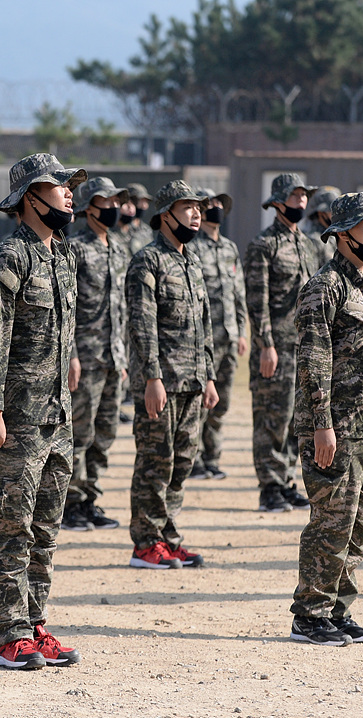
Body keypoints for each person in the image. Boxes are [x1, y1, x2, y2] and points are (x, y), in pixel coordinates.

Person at [0, 153, 84, 670]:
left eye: (68, 185)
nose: (68, 193)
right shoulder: (8, 257)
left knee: (44, 529)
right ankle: (7, 634)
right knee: (8, 526)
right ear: (28, 199)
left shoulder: (62, 254)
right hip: (16, 420)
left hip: (55, 417)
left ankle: (35, 623)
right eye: (57, 186)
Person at [290, 192, 363, 646]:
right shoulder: (324, 286)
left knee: (359, 523)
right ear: (343, 233)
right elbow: (315, 360)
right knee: (331, 520)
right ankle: (310, 614)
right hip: (336, 426)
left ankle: (338, 607)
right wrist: (322, 423)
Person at [126, 180, 217, 570]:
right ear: (165, 216)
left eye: (199, 208)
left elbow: (204, 325)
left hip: (193, 381)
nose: (197, 214)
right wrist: (151, 378)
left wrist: (209, 376)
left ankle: (168, 536)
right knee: (155, 461)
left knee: (182, 462)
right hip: (161, 382)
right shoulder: (148, 261)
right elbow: (141, 325)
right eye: (188, 207)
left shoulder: (191, 263)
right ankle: (146, 543)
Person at [244, 173, 318, 512]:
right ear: (277, 203)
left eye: (304, 196)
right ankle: (269, 487)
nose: (301, 202)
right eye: (295, 196)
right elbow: (256, 300)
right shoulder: (263, 245)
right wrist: (265, 345)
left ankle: (287, 479)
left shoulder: (308, 244)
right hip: (275, 347)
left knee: (294, 419)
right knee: (271, 418)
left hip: (302, 346)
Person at [61, 176, 128, 532]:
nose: (113, 208)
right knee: (79, 435)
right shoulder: (76, 248)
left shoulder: (118, 248)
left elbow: (124, 310)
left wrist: (126, 357)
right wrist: (70, 354)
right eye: (106, 201)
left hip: (114, 358)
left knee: (104, 435)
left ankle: (90, 499)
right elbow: (66, 309)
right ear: (89, 207)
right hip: (84, 359)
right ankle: (69, 503)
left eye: (117, 201)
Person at [189, 187, 246, 481]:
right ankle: (194, 458)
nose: (216, 208)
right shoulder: (193, 248)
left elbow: (237, 292)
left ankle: (212, 457)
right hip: (205, 340)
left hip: (229, 335)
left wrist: (242, 330)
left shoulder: (229, 248)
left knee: (221, 404)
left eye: (219, 204)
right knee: (200, 402)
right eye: (209, 204)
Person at [305, 186, 340, 265]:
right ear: (321, 213)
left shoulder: (337, 236)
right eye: (332, 212)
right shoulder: (313, 239)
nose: (337, 215)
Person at [121, 182, 154, 257]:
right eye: (141, 201)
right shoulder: (122, 227)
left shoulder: (146, 230)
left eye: (146, 202)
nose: (144, 205)